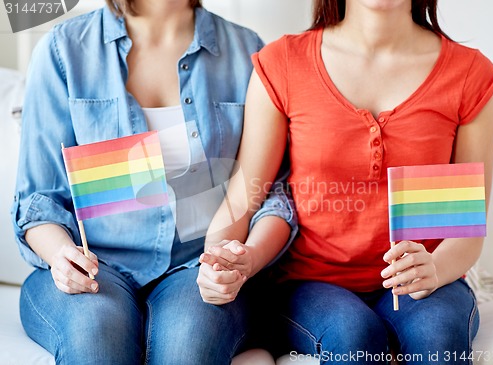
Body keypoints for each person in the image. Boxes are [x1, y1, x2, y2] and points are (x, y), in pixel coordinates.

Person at [202, 0, 493, 363]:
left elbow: (466, 230)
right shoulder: (283, 62)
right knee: (353, 336)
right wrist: (218, 260)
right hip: (312, 283)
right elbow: (244, 195)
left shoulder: (469, 73)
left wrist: (434, 269)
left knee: (438, 338)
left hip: (428, 280)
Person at [11, 0, 296, 364]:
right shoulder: (63, 49)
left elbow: (272, 194)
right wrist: (60, 257)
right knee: (96, 335)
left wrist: (241, 261)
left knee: (188, 345)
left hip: (197, 266)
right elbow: (38, 200)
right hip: (95, 263)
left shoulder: (247, 51)